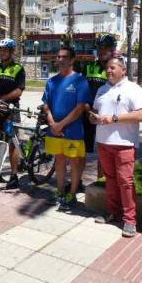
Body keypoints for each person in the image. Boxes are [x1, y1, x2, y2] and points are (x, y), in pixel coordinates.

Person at [90, 56, 142, 237]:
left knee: (126, 182)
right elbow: (97, 112)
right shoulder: (102, 89)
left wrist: (114, 118)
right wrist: (93, 117)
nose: (109, 71)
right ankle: (113, 212)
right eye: (107, 68)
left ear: (123, 70)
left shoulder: (133, 89)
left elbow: (141, 115)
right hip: (103, 142)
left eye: (113, 67)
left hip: (124, 144)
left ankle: (130, 220)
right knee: (110, 179)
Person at [42, 46, 91, 210]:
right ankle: (60, 191)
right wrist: (52, 123)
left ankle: (72, 194)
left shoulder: (80, 80)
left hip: (73, 131)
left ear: (72, 60)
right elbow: (46, 104)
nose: (60, 60)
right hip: (54, 131)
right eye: (58, 56)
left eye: (64, 57)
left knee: (75, 162)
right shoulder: (52, 81)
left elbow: (80, 108)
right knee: (59, 160)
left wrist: (60, 125)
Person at [0, 38, 26, 190]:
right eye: (1, 50)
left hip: (11, 110)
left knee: (12, 144)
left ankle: (14, 176)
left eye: (5, 50)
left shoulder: (18, 69)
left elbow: (19, 90)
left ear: (11, 52)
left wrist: (3, 99)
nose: (2, 52)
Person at [80, 34, 117, 184]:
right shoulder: (89, 66)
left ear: (112, 50)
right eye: (99, 48)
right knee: (81, 150)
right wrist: (87, 106)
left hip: (106, 117)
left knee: (104, 152)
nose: (102, 51)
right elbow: (81, 88)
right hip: (87, 113)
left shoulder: (116, 69)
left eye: (105, 49)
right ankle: (77, 182)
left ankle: (101, 183)